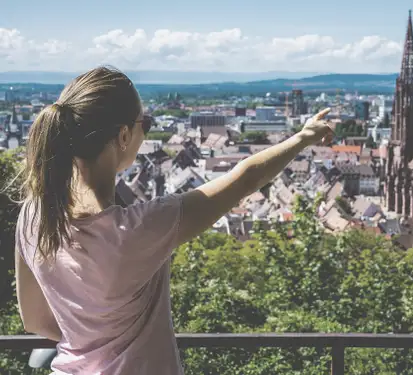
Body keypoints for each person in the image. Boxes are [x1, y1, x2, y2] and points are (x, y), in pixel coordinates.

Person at [14, 66, 333, 375]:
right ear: (124, 135)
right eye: (145, 123)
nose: (146, 131)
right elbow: (245, 178)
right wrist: (304, 137)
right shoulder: (139, 229)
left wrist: (90, 341)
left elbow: (36, 321)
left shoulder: (32, 215)